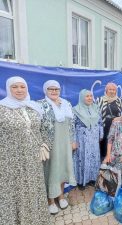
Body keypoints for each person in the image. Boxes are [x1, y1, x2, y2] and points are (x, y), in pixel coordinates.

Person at [0, 76, 50, 224]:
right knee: (15, 192)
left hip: (33, 160)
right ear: (9, 89)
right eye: (15, 87)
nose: (19, 90)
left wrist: (45, 145)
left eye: (22, 87)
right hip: (10, 161)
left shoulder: (33, 107)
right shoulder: (2, 109)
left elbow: (43, 129)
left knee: (33, 189)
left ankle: (34, 219)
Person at [39, 80, 77, 214]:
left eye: (56, 89)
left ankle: (61, 196)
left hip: (65, 143)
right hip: (50, 145)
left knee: (62, 169)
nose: (54, 91)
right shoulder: (41, 105)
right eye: (51, 89)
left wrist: (73, 140)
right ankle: (50, 200)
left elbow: (72, 124)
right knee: (52, 171)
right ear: (45, 90)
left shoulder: (66, 104)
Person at [73, 89, 103, 190]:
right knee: (83, 158)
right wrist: (73, 140)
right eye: (87, 96)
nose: (90, 98)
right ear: (82, 97)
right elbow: (71, 126)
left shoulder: (96, 108)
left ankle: (92, 179)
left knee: (93, 159)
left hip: (94, 139)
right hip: (82, 140)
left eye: (91, 96)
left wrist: (100, 134)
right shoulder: (76, 110)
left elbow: (100, 122)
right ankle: (81, 181)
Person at [96, 82, 122, 158]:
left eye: (114, 90)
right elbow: (95, 114)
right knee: (103, 145)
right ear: (106, 90)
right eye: (110, 89)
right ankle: (103, 162)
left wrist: (120, 118)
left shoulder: (121, 101)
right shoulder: (99, 100)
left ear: (116, 91)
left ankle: (112, 162)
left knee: (115, 144)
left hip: (117, 128)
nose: (112, 91)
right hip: (104, 128)